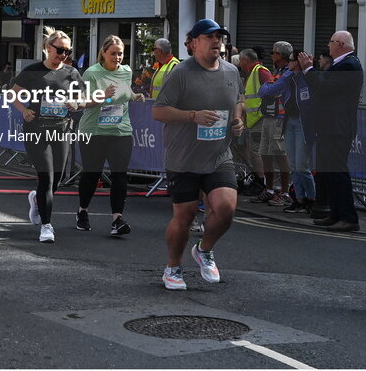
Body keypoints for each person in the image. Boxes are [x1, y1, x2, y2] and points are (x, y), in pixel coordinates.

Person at [154, 19, 244, 290]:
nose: (216, 41)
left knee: (226, 209)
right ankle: (173, 268)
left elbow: (238, 101)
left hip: (219, 154)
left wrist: (238, 120)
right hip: (184, 158)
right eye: (209, 37)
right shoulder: (180, 73)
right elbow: (158, 111)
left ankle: (204, 250)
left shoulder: (231, 71)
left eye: (220, 37)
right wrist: (193, 116)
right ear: (193, 42)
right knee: (185, 215)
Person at [9, 28, 85, 243]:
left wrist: (75, 103)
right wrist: (24, 110)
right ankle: (46, 225)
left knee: (56, 180)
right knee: (46, 176)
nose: (62, 55)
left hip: (61, 130)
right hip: (36, 131)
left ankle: (36, 199)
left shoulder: (71, 73)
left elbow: (82, 98)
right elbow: (12, 94)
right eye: (59, 50)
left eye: (67, 51)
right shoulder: (32, 70)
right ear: (47, 48)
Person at [76, 35, 145, 237]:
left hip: (120, 130)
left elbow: (125, 92)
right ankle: (82, 211)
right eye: (113, 53)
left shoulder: (126, 71)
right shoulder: (92, 73)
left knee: (119, 175)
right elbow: (82, 102)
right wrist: (102, 95)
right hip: (94, 130)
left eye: (120, 53)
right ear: (103, 53)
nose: (117, 57)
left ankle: (117, 220)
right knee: (92, 174)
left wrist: (135, 96)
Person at [297, 31, 364, 232]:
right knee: (329, 173)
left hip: (337, 128)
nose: (328, 45)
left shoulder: (349, 65)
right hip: (329, 126)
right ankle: (335, 213)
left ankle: (348, 217)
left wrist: (308, 68)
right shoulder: (340, 65)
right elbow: (323, 85)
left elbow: (325, 87)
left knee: (337, 172)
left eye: (331, 42)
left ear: (340, 44)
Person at [257, 47, 316, 213]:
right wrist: (272, 82)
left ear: (297, 63)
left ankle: (311, 199)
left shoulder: (309, 77)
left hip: (303, 124)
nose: (288, 63)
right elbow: (266, 91)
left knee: (302, 165)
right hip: (289, 122)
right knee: (293, 164)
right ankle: (299, 199)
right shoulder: (287, 77)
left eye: (291, 60)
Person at [238, 48, 275, 202]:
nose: (239, 65)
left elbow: (272, 92)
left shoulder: (261, 71)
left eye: (240, 61)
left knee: (257, 152)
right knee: (254, 152)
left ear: (246, 60)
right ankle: (260, 180)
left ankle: (261, 182)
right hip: (254, 120)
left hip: (260, 119)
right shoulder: (252, 74)